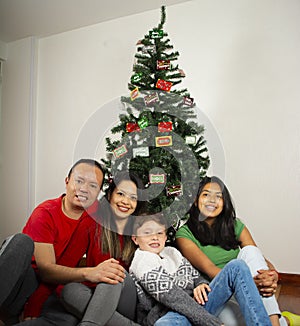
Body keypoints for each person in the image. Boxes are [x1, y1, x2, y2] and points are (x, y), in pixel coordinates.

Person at [0, 158, 122, 325]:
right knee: (20, 242)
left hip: (52, 294)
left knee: (69, 315)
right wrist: (89, 272)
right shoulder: (45, 213)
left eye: (93, 186)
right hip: (22, 286)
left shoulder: (94, 217)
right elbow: (46, 271)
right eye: (79, 181)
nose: (84, 189)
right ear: (67, 181)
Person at [176, 176, 300, 326]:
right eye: (206, 195)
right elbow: (210, 270)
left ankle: (275, 323)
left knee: (250, 251)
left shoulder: (235, 225)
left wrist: (271, 276)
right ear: (195, 201)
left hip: (250, 286)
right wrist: (246, 282)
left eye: (218, 197)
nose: (212, 200)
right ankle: (285, 320)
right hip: (217, 292)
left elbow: (258, 258)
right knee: (241, 322)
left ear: (224, 203)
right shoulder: (184, 234)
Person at [130, 213, 272, 326]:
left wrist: (200, 284)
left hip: (198, 305)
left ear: (166, 236)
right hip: (171, 315)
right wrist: (214, 323)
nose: (155, 238)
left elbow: (196, 276)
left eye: (159, 233)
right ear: (135, 239)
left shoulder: (171, 253)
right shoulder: (142, 262)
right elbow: (176, 300)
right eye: (147, 233)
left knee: (237, 266)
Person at [60, 171, 145, 326]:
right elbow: (65, 266)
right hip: (95, 295)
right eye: (121, 194)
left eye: (133, 198)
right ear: (110, 195)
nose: (126, 201)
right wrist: (36, 305)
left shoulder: (141, 228)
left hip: (127, 298)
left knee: (113, 272)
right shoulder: (92, 223)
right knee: (69, 291)